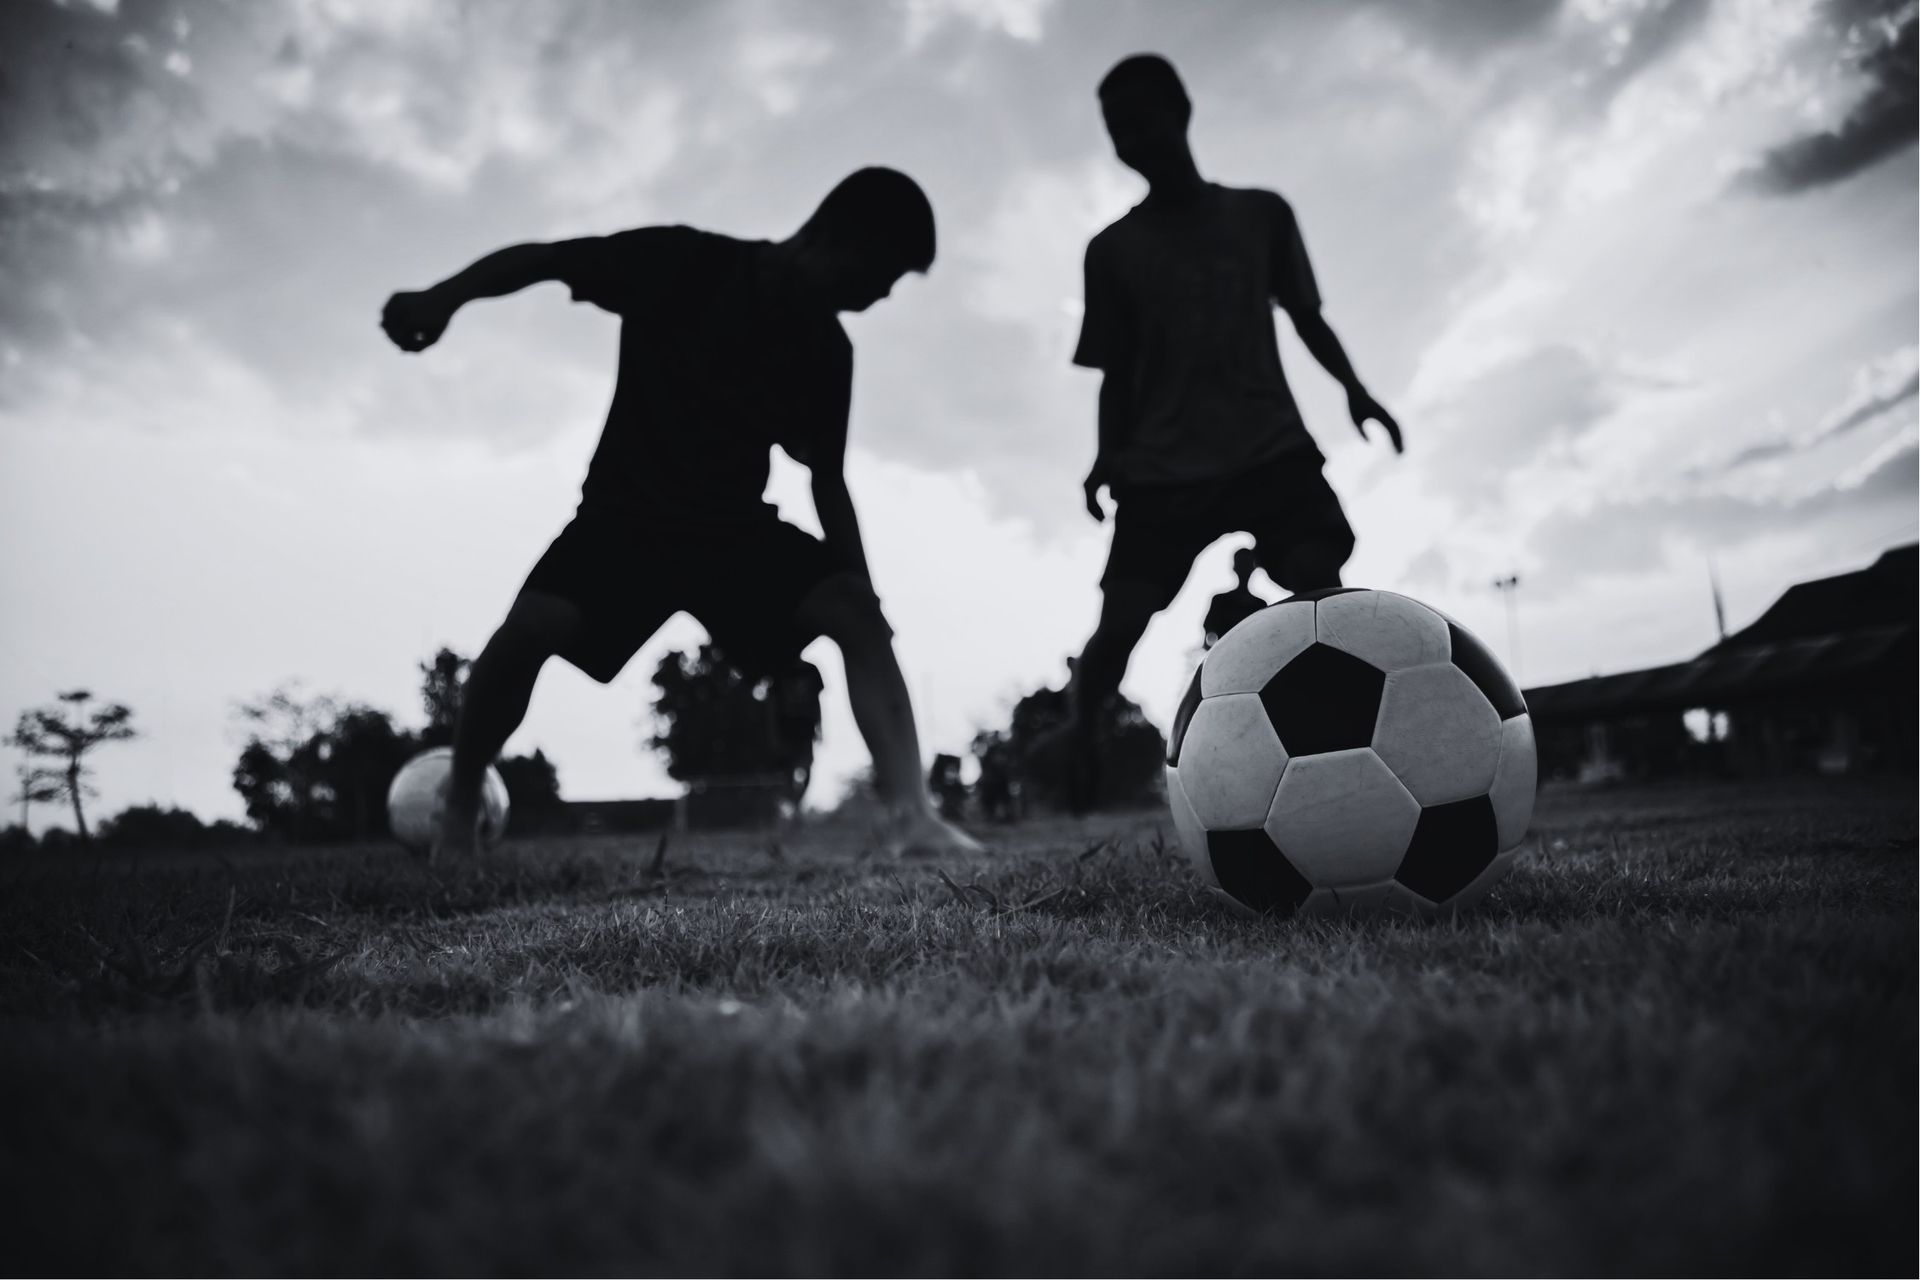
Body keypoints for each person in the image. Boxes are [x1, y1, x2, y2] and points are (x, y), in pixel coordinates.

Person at [380, 168, 981, 859]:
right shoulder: (682, 262)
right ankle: (458, 805)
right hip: (624, 521)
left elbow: (828, 480)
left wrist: (863, 597)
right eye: (884, 273)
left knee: (855, 611)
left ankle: (912, 815)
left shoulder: (825, 349)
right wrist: (443, 297)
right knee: (527, 631)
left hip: (732, 534)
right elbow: (544, 260)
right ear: (838, 237)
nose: (881, 295)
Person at [1052, 53, 1406, 812]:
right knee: (1116, 628)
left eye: (1139, 115)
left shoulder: (1261, 215)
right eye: (1115, 127)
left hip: (1266, 447)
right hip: (1161, 470)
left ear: (1180, 109)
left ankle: (1341, 747)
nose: (1130, 135)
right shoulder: (1110, 252)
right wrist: (1101, 462)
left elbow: (1306, 317)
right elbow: (1115, 374)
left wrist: (1357, 392)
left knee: (1320, 585)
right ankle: (1079, 743)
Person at [1203, 546, 1271, 649]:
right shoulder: (1220, 601)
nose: (1244, 568)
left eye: (1246, 564)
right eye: (1242, 564)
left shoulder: (1260, 604)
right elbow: (1209, 633)